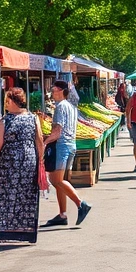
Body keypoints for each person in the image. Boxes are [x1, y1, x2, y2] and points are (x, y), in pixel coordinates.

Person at [0, 88, 43, 244]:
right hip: (29, 160)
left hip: (9, 162)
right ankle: (26, 231)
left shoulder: (5, 121)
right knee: (26, 195)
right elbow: (39, 140)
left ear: (11, 101)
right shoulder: (33, 118)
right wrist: (40, 160)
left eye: (6, 101)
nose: (5, 104)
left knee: (4, 194)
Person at [43, 81, 92, 226]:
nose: (52, 91)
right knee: (57, 179)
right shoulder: (71, 107)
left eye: (54, 89)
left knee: (57, 180)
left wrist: (44, 142)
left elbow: (58, 132)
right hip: (71, 144)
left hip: (62, 145)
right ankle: (62, 214)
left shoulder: (60, 107)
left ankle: (80, 204)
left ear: (61, 91)